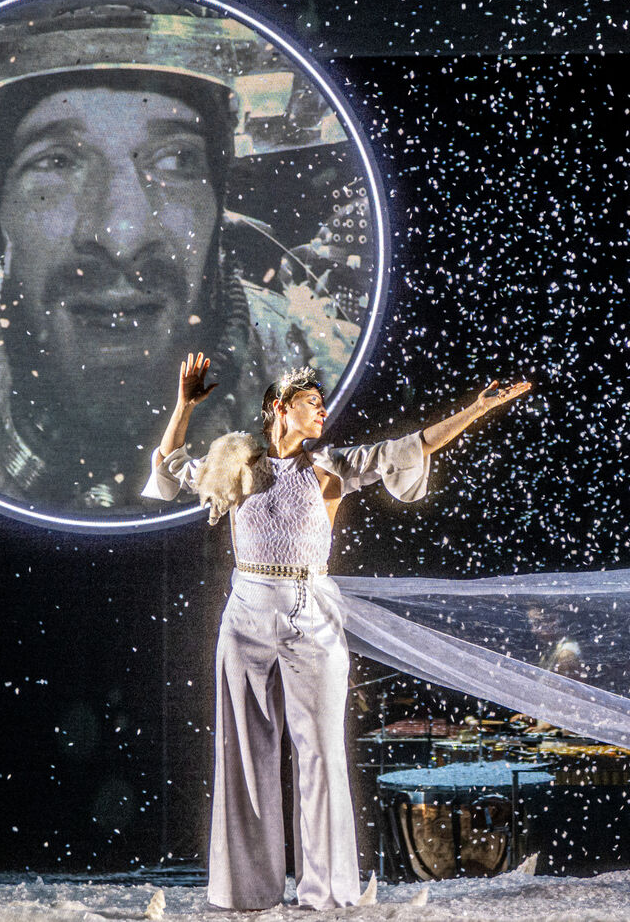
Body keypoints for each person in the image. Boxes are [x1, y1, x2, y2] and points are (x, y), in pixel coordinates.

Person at [0, 1, 367, 511]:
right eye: (57, 160)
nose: (121, 236)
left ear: (218, 204)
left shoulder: (321, 371)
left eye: (176, 159)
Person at [143, 351, 529, 910]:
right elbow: (170, 465)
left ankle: (327, 893)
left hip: (311, 615)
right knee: (245, 754)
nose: (322, 411)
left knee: (321, 753)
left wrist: (475, 410)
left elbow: (412, 447)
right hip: (246, 614)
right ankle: (246, 891)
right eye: (311, 403)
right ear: (280, 408)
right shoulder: (236, 464)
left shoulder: (331, 466)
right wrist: (184, 405)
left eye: (322, 403)